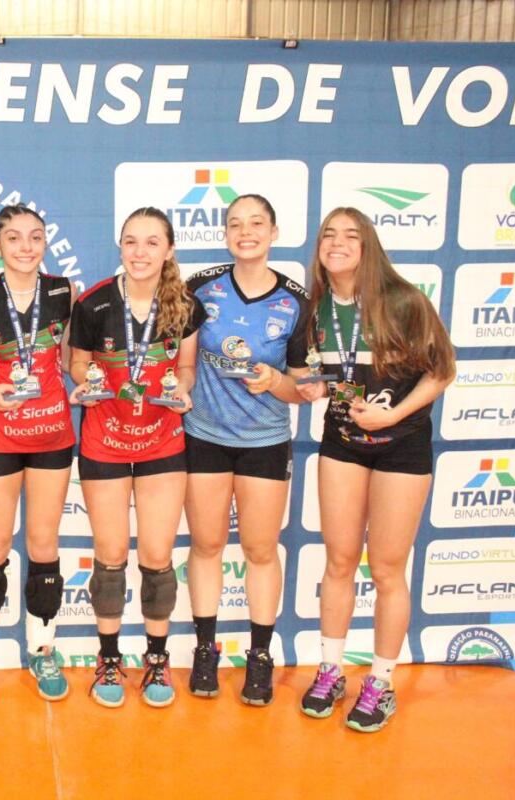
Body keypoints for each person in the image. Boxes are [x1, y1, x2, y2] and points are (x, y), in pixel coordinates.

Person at [294, 207, 455, 733]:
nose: (337, 243)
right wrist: (314, 388)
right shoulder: (316, 308)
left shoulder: (403, 300)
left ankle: (381, 682)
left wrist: (394, 413)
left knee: (386, 569)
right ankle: (330, 670)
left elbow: (442, 371)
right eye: (329, 235)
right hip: (343, 443)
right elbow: (325, 373)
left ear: (368, 247)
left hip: (401, 448)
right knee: (339, 562)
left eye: (351, 235)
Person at [68, 207, 203, 708]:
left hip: (162, 442)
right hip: (104, 440)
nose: (140, 252)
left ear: (169, 250)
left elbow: (186, 368)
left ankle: (156, 659)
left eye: (151, 242)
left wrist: (182, 390)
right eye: (131, 241)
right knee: (109, 556)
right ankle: (108, 658)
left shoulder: (184, 304)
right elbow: (77, 363)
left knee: (157, 557)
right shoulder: (94, 302)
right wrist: (88, 383)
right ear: (120, 246)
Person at [182, 194, 311, 705]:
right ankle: (205, 651)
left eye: (257, 223)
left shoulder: (295, 301)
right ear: (225, 233)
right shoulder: (200, 288)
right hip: (205, 436)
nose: (246, 232)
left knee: (260, 550)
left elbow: (302, 387)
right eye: (235, 224)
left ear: (273, 232)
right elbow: (180, 359)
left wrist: (276, 382)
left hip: (264, 441)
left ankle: (260, 655)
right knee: (206, 545)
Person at [0, 204, 75, 704]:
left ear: (44, 243)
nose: (26, 246)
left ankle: (42, 649)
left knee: (44, 545)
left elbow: (74, 363)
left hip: (52, 437)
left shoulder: (64, 293)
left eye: (35, 237)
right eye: (15, 238)